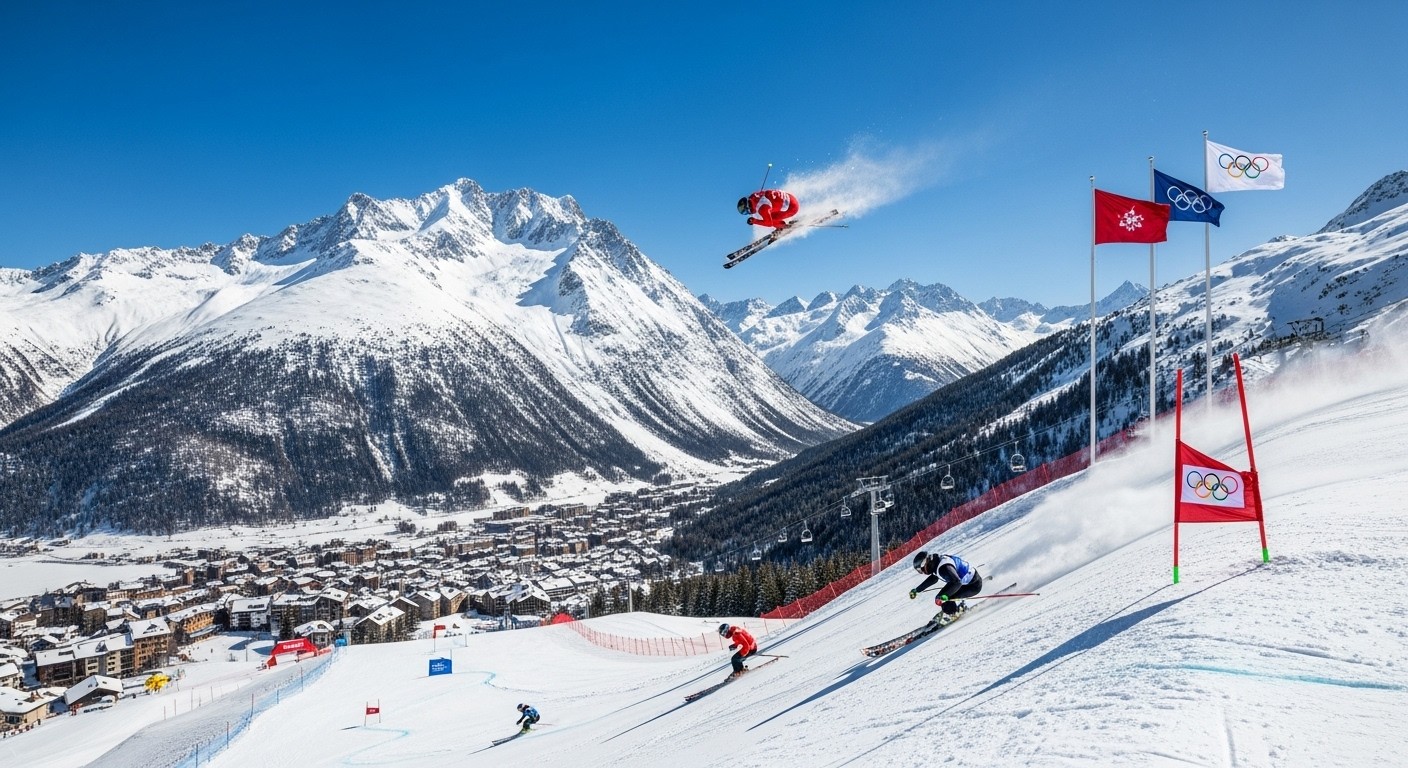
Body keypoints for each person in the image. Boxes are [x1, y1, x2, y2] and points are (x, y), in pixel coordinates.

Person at [908, 551, 983, 621]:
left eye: (921, 569)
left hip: (973, 586)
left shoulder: (944, 567)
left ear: (926, 562)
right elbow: (933, 578)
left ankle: (953, 613)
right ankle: (953, 609)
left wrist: (946, 595)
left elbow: (957, 582)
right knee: (940, 597)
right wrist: (917, 590)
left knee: (941, 598)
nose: (923, 572)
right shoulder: (936, 563)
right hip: (966, 583)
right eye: (920, 571)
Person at [737, 189, 801, 230]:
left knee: (770, 219)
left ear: (748, 208)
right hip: (791, 197)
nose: (748, 213)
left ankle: (783, 227)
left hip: (793, 207)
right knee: (769, 213)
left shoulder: (762, 208)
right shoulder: (753, 196)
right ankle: (780, 225)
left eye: (746, 212)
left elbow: (769, 224)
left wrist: (754, 221)